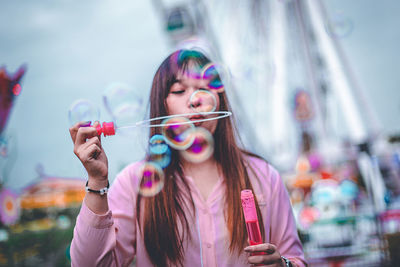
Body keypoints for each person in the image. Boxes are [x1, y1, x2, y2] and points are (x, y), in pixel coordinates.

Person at [69, 49, 307, 267]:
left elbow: (295, 259)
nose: (195, 101)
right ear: (163, 106)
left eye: (204, 90)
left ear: (220, 102)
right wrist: (97, 182)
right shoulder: (134, 182)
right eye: (180, 91)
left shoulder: (264, 176)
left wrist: (284, 265)